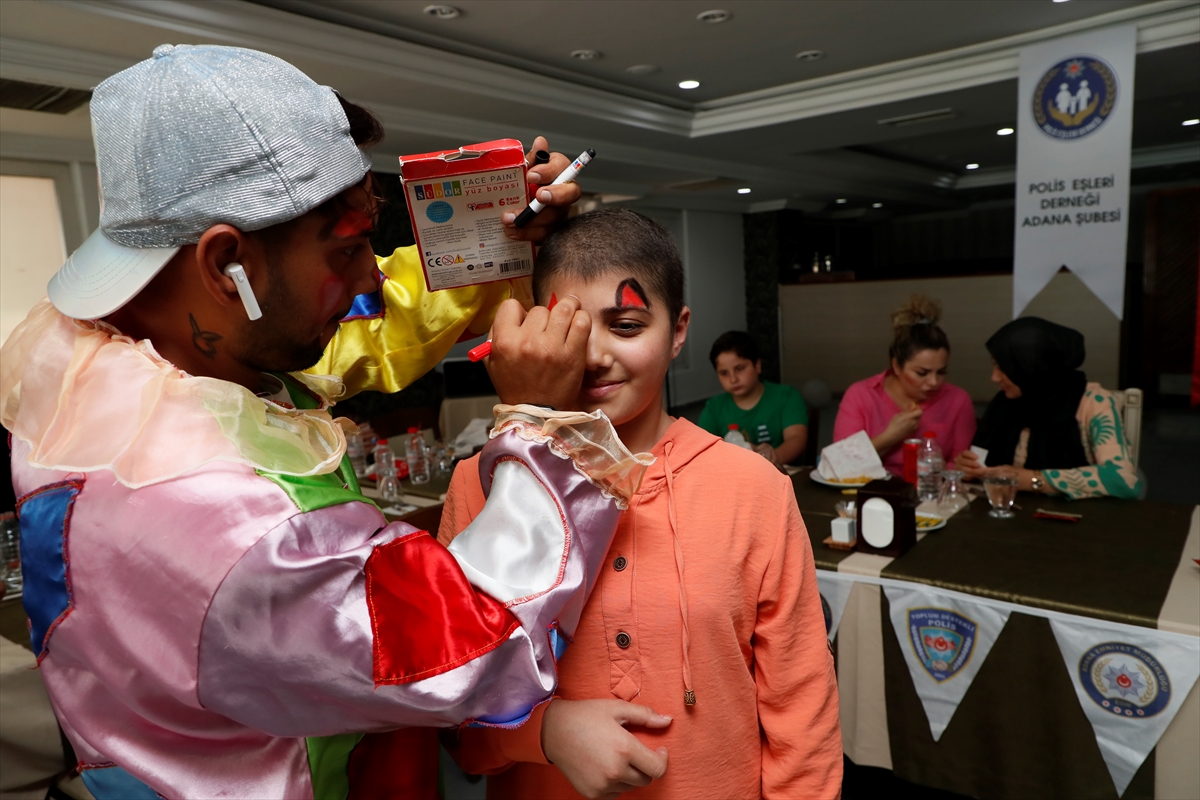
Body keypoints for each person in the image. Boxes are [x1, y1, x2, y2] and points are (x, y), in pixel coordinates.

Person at [0, 44, 636, 799]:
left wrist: (491, 244)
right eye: (353, 246)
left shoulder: (112, 358)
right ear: (225, 262)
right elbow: (469, 645)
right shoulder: (214, 514)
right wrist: (544, 426)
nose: (374, 273)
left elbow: (348, 333)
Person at [434, 209, 842, 799]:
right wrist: (542, 733)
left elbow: (801, 705)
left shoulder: (753, 487)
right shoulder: (483, 482)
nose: (596, 355)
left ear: (678, 331)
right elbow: (451, 707)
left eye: (625, 326)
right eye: (571, 328)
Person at [955, 317, 1141, 499]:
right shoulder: (1004, 402)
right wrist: (967, 469)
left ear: (1031, 367)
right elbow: (984, 466)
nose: (994, 378)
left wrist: (1033, 480)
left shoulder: (1094, 402)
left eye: (1003, 368)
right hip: (1010, 513)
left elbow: (1122, 479)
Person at [833, 295, 975, 475]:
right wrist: (891, 436)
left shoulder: (958, 400)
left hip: (933, 494)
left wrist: (941, 467)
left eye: (941, 372)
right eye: (921, 373)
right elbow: (839, 464)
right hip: (871, 493)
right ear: (896, 366)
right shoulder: (862, 395)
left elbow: (962, 468)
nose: (934, 382)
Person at [698, 331, 808, 467]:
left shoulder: (786, 396)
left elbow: (797, 439)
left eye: (740, 369)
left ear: (757, 365)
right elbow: (702, 451)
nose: (733, 379)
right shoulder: (714, 407)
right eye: (724, 373)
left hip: (781, 477)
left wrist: (773, 456)